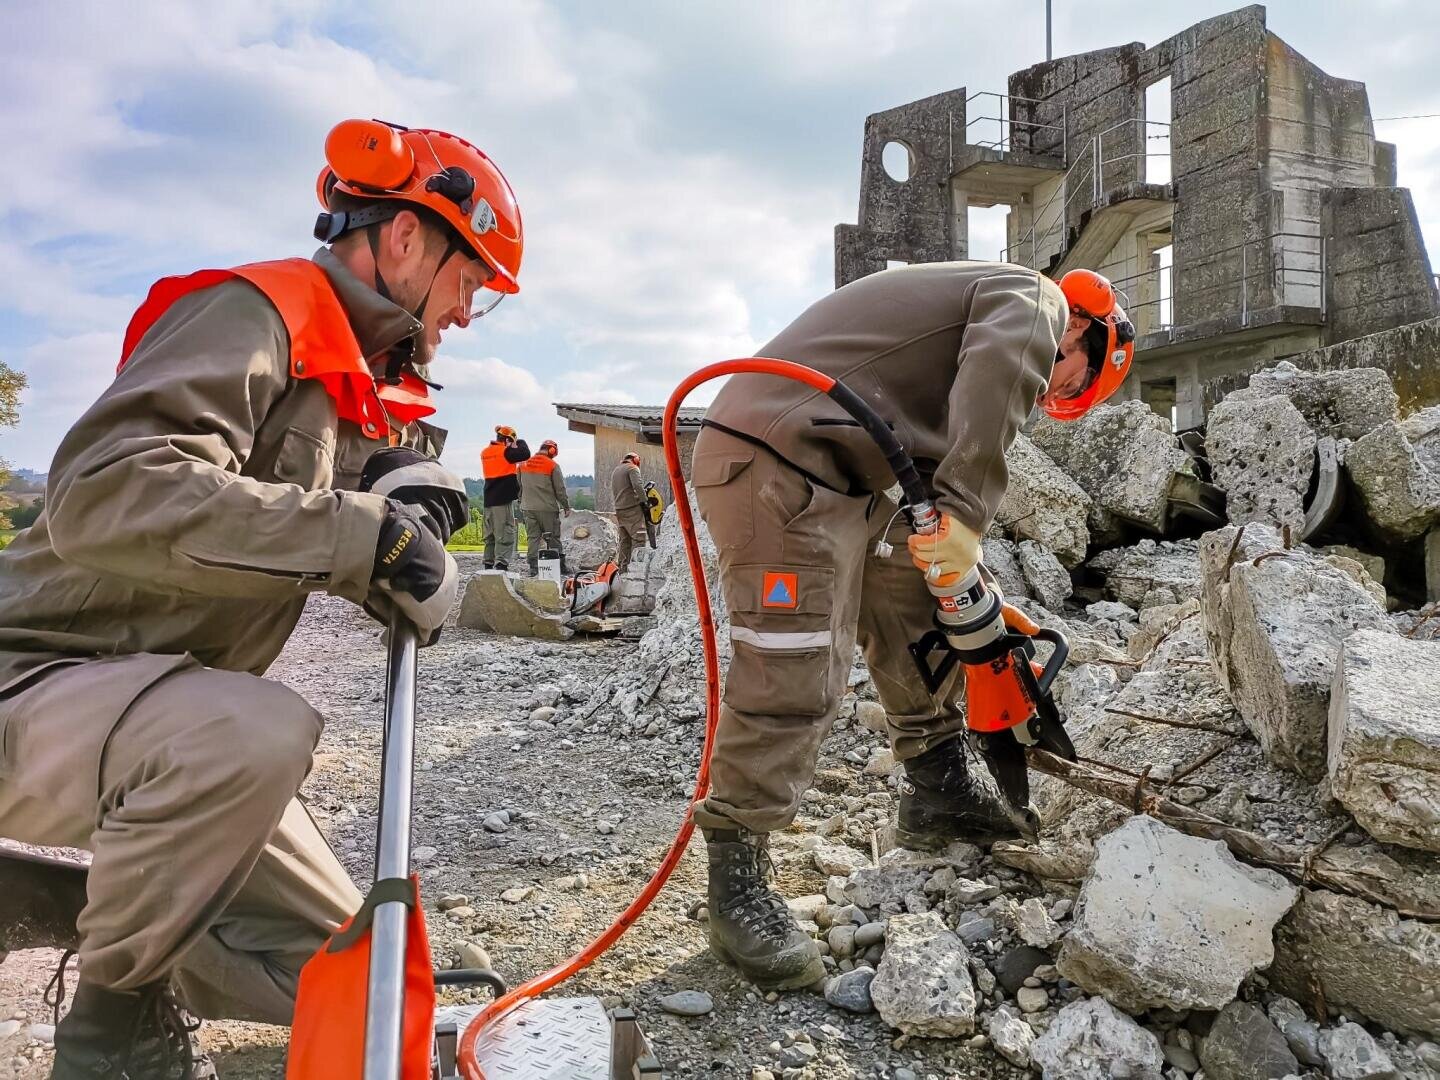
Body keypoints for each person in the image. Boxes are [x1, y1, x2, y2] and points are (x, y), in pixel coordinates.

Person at [0, 117, 523, 1077]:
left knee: (355, 982)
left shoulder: (342, 378)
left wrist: (399, 493)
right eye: (470, 279)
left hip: (149, 707)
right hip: (33, 680)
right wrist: (355, 537)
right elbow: (104, 494)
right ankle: (111, 1038)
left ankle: (62, 904)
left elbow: (309, 501)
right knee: (252, 734)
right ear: (406, 236)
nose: (465, 310)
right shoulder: (255, 314)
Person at [690, 262, 1134, 989]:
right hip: (778, 459)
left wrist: (978, 604)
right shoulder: (1034, 300)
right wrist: (966, 512)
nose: (1058, 392)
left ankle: (938, 787)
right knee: (797, 657)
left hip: (844, 472)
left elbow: (928, 507)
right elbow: (1001, 373)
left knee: (914, 603)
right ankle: (735, 872)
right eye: (1075, 381)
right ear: (1084, 328)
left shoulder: (933, 372)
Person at [481, 424, 531, 570]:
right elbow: (525, 453)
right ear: (508, 440)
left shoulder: (485, 452)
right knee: (505, 534)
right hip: (502, 501)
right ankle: (501, 566)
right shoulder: (506, 452)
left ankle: (488, 565)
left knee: (490, 536)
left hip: (488, 501)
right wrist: (518, 441)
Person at [517, 438, 571, 574]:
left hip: (528, 508)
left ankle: (534, 568)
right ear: (552, 450)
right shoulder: (552, 465)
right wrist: (566, 506)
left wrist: (521, 502)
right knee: (553, 538)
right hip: (547, 508)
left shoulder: (523, 464)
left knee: (533, 538)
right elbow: (560, 489)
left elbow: (519, 487)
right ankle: (560, 566)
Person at [610, 451, 652, 573]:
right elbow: (638, 486)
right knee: (639, 537)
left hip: (619, 509)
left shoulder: (616, 470)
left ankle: (623, 569)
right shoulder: (632, 468)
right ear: (636, 460)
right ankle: (637, 571)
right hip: (632, 508)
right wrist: (645, 501)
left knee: (625, 540)